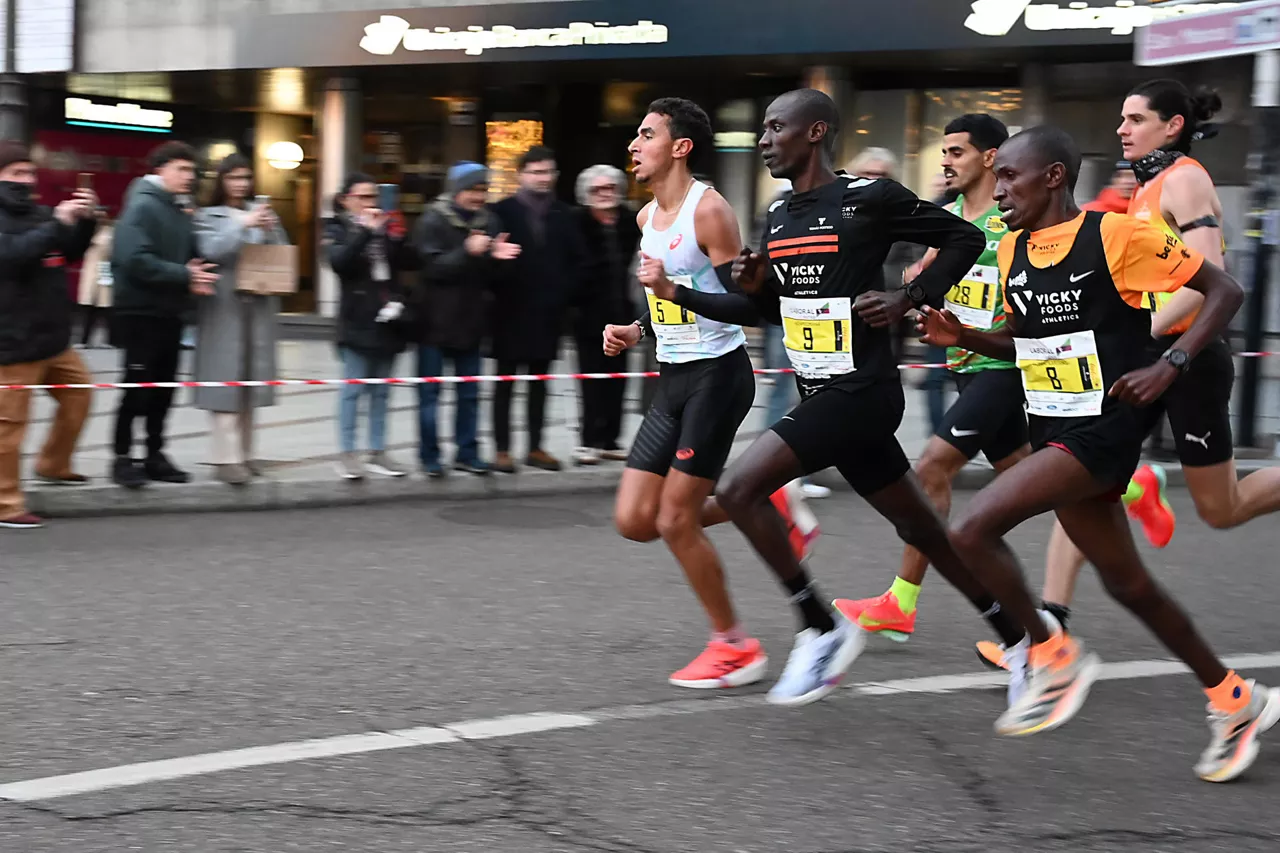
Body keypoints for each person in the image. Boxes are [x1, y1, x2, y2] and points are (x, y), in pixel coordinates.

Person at [920, 124, 1279, 782]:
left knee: (972, 527)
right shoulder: (1015, 251)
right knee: (1129, 584)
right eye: (996, 180)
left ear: (1053, 177)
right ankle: (1236, 699)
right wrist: (964, 332)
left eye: (1011, 178)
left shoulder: (1118, 235)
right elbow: (1027, 342)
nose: (999, 190)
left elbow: (1225, 290)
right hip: (1056, 425)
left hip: (1106, 425)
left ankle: (1051, 656)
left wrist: (1169, 365)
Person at [711, 88, 1025, 707]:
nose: (764, 139)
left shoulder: (868, 198)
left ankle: (821, 628)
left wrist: (908, 299)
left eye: (777, 127)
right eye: (763, 128)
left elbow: (962, 238)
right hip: (821, 389)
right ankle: (1018, 641)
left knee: (737, 489)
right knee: (927, 531)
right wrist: (753, 286)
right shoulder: (778, 214)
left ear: (816, 132)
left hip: (862, 392)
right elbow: (775, 307)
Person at [979, 80, 1280, 668]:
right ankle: (1052, 625)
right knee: (1078, 472)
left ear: (1172, 126)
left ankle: (1136, 497)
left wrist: (1141, 342)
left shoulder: (1185, 179)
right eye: (1121, 118)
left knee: (1221, 509)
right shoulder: (1140, 191)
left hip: (1184, 361)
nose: (1122, 129)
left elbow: (1210, 280)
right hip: (1136, 362)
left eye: (1136, 119)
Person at [601, 97, 818, 689]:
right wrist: (637, 327)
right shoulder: (647, 220)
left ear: (680, 147)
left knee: (675, 520)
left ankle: (735, 646)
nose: (633, 145)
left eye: (645, 135)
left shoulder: (710, 212)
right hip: (672, 378)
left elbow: (747, 307)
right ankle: (768, 503)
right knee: (633, 520)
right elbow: (663, 298)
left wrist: (671, 291)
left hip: (718, 376)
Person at [835, 114, 1027, 642]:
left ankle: (901, 601)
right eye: (943, 153)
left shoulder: (1010, 220)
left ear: (990, 157)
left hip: (1002, 365)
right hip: (964, 365)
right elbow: (924, 272)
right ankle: (1128, 485)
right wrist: (916, 283)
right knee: (1035, 474)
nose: (945, 161)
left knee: (933, 468)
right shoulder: (950, 217)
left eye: (956, 152)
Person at [0, 143, 98, 529]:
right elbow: (12, 255)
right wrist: (57, 223)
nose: (26, 181)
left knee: (80, 394)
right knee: (9, 428)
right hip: (11, 341)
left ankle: (53, 463)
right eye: (16, 174)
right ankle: (5, 504)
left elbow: (69, 251)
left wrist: (85, 221)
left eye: (30, 174)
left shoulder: (41, 214)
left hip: (53, 337)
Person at [111, 141, 217, 489]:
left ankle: (155, 453)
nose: (189, 177)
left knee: (164, 388)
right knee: (137, 387)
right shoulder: (141, 204)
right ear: (160, 169)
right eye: (181, 169)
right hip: (140, 311)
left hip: (170, 310)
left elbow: (188, 257)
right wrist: (185, 275)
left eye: (192, 170)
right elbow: (134, 259)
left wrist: (197, 275)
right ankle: (122, 458)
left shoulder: (178, 208)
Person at [410, 161, 521, 478]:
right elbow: (432, 268)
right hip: (433, 323)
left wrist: (499, 259)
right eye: (472, 189)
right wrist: (468, 252)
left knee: (469, 394)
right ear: (456, 190)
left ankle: (467, 452)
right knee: (430, 395)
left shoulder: (491, 221)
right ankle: (429, 455)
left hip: (471, 323)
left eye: (482, 189)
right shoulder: (432, 220)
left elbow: (493, 278)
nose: (477, 196)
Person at [192, 153, 290, 486]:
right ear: (220, 181)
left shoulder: (263, 212)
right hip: (223, 307)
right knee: (225, 381)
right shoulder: (208, 215)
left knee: (250, 381)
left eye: (246, 177)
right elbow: (211, 249)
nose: (241, 184)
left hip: (258, 305)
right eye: (234, 177)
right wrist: (242, 224)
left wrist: (270, 229)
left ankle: (246, 454)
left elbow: (281, 253)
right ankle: (224, 458)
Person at [489, 147, 585, 474]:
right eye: (536, 172)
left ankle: (535, 446)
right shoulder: (501, 211)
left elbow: (577, 260)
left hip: (547, 313)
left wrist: (563, 295)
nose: (543, 179)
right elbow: (487, 260)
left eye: (548, 172)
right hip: (509, 310)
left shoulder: (563, 213)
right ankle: (502, 449)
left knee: (540, 382)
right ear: (521, 175)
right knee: (505, 383)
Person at [324, 172, 412, 481]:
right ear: (345, 199)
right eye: (362, 197)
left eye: (373, 197)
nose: (369, 203)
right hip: (356, 319)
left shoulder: (386, 227)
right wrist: (364, 231)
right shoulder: (336, 227)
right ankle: (347, 453)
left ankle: (378, 451)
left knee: (382, 392)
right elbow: (340, 263)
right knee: (353, 390)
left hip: (389, 318)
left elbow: (403, 266)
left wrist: (398, 236)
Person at [573, 164, 639, 466]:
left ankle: (611, 439)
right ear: (587, 194)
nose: (605, 194)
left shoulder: (630, 221)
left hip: (623, 313)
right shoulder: (576, 222)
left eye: (610, 188)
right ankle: (589, 441)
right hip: (587, 316)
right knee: (591, 380)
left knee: (619, 380)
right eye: (598, 190)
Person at [77, 211, 114, 348]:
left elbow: (108, 250)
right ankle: (84, 340)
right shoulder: (87, 231)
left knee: (105, 308)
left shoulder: (109, 233)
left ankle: (108, 340)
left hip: (103, 270)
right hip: (89, 272)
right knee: (88, 308)